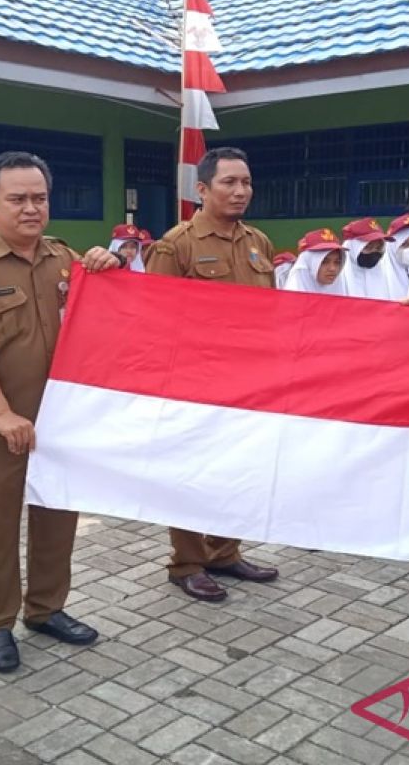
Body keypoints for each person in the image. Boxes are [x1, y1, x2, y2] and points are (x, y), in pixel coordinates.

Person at [0, 151, 124, 673]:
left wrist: (109, 269)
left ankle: (47, 608)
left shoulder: (65, 259)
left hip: (60, 423)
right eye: (17, 199)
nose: (30, 209)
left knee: (56, 519)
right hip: (0, 424)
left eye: (39, 198)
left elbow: (103, 317)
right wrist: (1, 415)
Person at [144, 147, 280, 602]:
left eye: (246, 182)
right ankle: (186, 562)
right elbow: (156, 319)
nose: (240, 191)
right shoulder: (176, 244)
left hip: (248, 384)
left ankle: (225, 551)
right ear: (202, 189)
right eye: (229, 182)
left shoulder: (258, 242)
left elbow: (273, 314)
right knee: (189, 474)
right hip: (194, 384)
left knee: (237, 470)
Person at [340, 217, 393, 299]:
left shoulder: (388, 276)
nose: (374, 252)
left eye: (378, 248)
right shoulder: (337, 279)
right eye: (368, 247)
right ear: (353, 248)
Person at [282, 229, 347, 296]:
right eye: (324, 262)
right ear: (308, 264)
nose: (332, 268)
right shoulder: (291, 299)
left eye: (337, 262)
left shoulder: (343, 293)